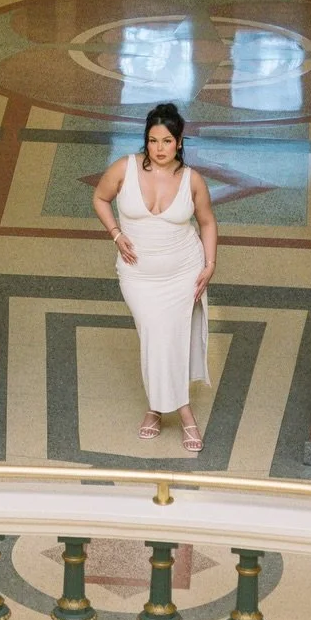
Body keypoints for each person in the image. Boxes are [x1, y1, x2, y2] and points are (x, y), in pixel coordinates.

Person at [91, 101, 217, 456]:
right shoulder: (124, 168)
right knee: (154, 333)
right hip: (138, 275)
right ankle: (177, 409)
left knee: (172, 338)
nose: (159, 149)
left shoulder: (192, 180)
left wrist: (210, 264)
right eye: (152, 140)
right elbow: (100, 198)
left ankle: (164, 410)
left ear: (179, 142)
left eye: (166, 141)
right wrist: (116, 233)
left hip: (183, 271)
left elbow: (207, 221)